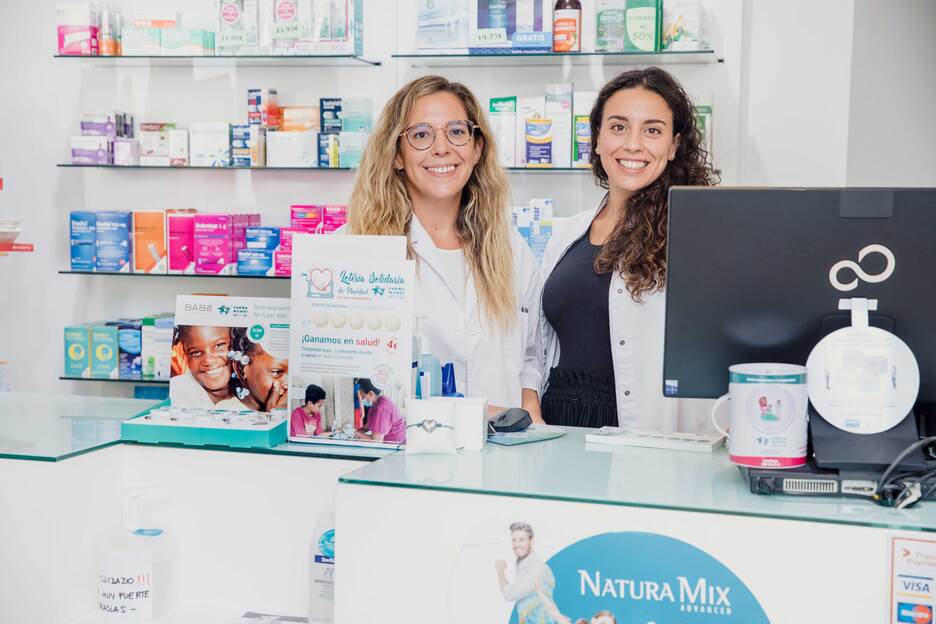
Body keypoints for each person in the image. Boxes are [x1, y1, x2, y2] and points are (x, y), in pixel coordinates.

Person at [347, 75, 544, 421]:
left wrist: (530, 409)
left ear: (476, 148)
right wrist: (462, 414)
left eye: (456, 131)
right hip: (407, 447)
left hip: (504, 448)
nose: (442, 148)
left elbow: (530, 355)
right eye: (421, 135)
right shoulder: (358, 250)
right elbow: (351, 378)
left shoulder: (512, 251)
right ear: (396, 154)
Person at [539, 67, 719, 431]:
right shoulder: (568, 233)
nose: (633, 144)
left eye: (652, 130)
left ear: (674, 146)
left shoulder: (694, 236)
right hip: (556, 424)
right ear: (597, 138)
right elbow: (538, 343)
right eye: (619, 127)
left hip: (633, 429)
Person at [494, 522, 557, 624]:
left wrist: (500, 570)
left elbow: (509, 594)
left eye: (521, 540)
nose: (517, 544)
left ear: (531, 541)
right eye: (514, 540)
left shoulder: (536, 568)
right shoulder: (524, 565)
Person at [169, 325, 242, 409]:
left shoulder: (249, 388)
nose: (208, 360)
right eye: (195, 352)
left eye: (219, 345)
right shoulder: (177, 390)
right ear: (185, 353)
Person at [229, 327, 289, 412]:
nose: (287, 384)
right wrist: (274, 416)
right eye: (277, 372)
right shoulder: (227, 411)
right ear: (240, 369)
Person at [354, 378, 405, 444]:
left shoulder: (382, 409)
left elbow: (376, 441)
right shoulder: (377, 403)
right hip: (385, 441)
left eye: (363, 396)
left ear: (371, 394)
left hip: (394, 445)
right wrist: (357, 431)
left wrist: (356, 434)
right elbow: (369, 424)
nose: (361, 399)